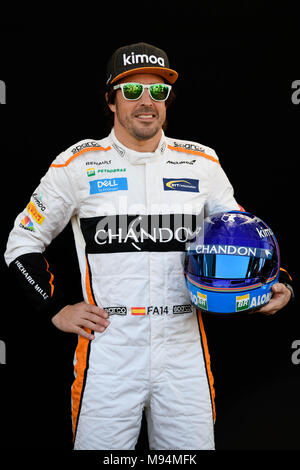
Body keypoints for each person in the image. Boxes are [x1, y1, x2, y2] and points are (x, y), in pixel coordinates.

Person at [4, 42, 293, 450]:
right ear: (111, 100)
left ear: (167, 100)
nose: (146, 101)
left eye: (158, 92)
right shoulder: (76, 165)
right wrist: (54, 307)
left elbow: (243, 234)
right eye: (132, 91)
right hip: (110, 348)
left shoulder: (202, 163)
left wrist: (278, 282)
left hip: (183, 347)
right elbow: (21, 244)